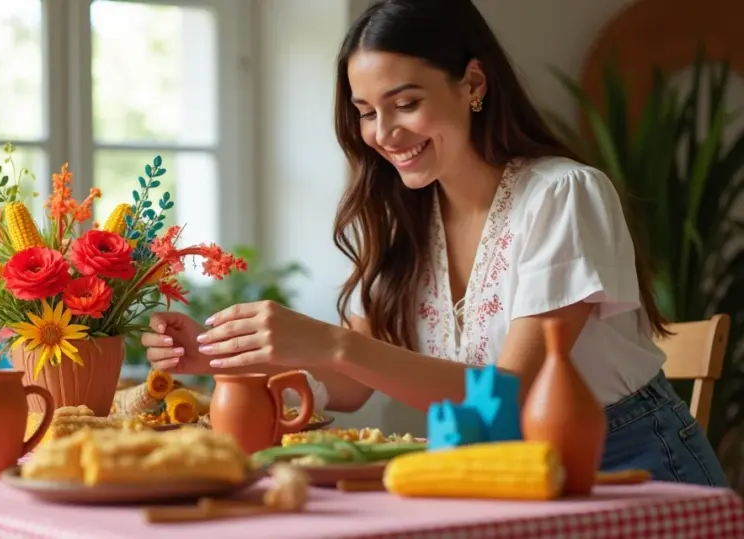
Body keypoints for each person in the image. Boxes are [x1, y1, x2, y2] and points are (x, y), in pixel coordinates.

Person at [141, 0, 728, 487]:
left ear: (472, 83)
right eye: (366, 112)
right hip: (493, 473)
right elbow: (351, 384)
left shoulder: (562, 194)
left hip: (629, 470)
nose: (384, 134)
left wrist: (334, 343)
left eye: (406, 104)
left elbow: (509, 396)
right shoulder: (400, 218)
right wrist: (224, 356)